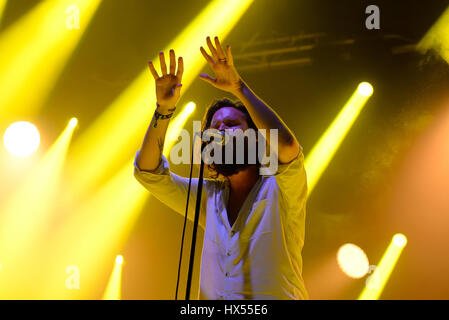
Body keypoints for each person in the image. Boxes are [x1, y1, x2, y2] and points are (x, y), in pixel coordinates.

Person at [134, 36, 308, 300]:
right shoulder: (209, 197)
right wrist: (164, 109)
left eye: (231, 124)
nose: (221, 132)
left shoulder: (282, 188)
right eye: (215, 129)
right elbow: (149, 172)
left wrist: (239, 87)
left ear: (256, 137)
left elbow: (286, 144)